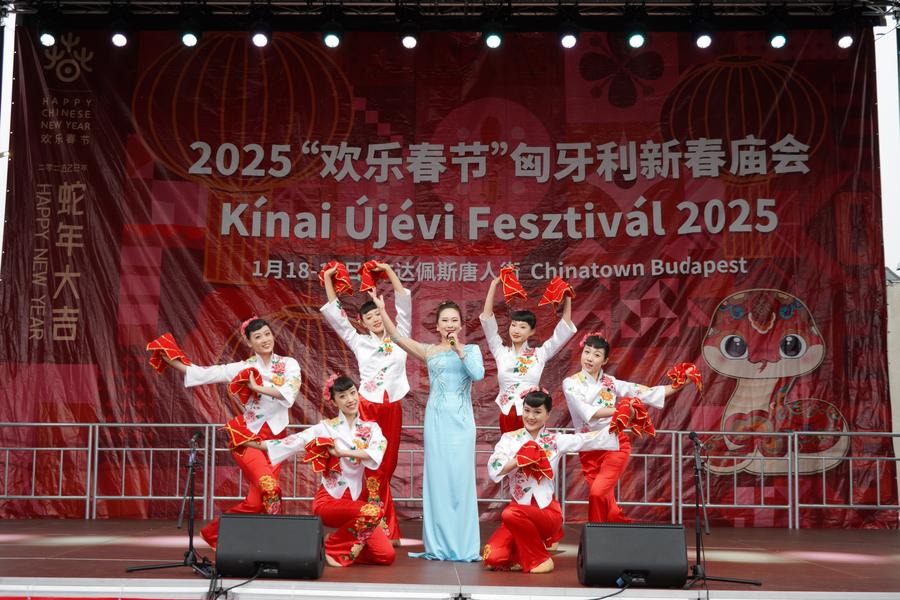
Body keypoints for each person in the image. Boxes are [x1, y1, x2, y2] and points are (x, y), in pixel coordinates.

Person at [162, 317, 301, 549]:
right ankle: (277, 542)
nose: (265, 340)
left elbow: (290, 392)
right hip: (247, 438)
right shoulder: (244, 367)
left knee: (255, 504)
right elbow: (209, 373)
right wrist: (174, 362)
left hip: (275, 443)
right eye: (258, 337)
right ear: (249, 342)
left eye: (267, 334)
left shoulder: (289, 364)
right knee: (270, 487)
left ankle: (213, 534)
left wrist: (256, 388)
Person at [370, 292, 485, 561]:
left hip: (462, 423)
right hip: (436, 422)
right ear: (437, 326)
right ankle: (438, 544)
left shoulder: (471, 350)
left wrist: (459, 351)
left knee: (461, 480)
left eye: (454, 320)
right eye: (445, 320)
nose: (449, 324)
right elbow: (396, 338)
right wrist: (382, 309)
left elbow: (478, 374)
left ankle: (464, 544)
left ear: (461, 324)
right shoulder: (429, 351)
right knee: (439, 480)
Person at [251, 375, 395, 567]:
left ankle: (336, 546)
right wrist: (254, 444)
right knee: (373, 511)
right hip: (329, 502)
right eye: (342, 396)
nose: (350, 399)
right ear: (334, 401)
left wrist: (342, 452)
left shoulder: (371, 428)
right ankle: (334, 547)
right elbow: (294, 441)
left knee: (386, 555)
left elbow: (376, 452)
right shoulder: (325, 428)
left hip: (357, 506)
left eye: (352, 393)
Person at [320, 261, 410, 543]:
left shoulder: (400, 336)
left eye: (378, 314)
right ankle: (382, 528)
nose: (375, 319)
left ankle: (375, 524)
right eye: (369, 317)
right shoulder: (359, 341)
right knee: (371, 466)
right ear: (362, 322)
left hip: (392, 407)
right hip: (367, 408)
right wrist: (328, 280)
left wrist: (389, 271)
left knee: (387, 465)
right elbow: (337, 317)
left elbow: (404, 303)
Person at [483, 388, 619, 573]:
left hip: (546, 513)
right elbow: (495, 467)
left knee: (510, 514)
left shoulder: (554, 440)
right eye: (527, 410)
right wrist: (518, 460)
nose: (531, 417)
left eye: (537, 412)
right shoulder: (509, 439)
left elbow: (585, 440)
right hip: (518, 511)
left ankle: (539, 559)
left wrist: (618, 424)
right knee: (493, 558)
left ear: (548, 414)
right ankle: (523, 554)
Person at [563, 332, 679, 523]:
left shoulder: (610, 382)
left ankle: (597, 535)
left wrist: (676, 386)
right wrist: (621, 410)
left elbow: (643, 392)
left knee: (597, 493)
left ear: (605, 360)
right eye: (587, 352)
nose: (589, 358)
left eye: (596, 355)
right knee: (603, 499)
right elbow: (587, 412)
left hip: (614, 444)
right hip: (588, 447)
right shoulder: (570, 383)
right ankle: (609, 531)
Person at [480, 276, 577, 433]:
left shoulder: (539, 354)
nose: (516, 330)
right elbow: (487, 321)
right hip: (507, 414)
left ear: (532, 331)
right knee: (508, 448)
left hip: (532, 415)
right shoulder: (500, 351)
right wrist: (493, 285)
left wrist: (567, 298)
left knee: (531, 449)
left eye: (523, 327)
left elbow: (562, 332)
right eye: (513, 325)